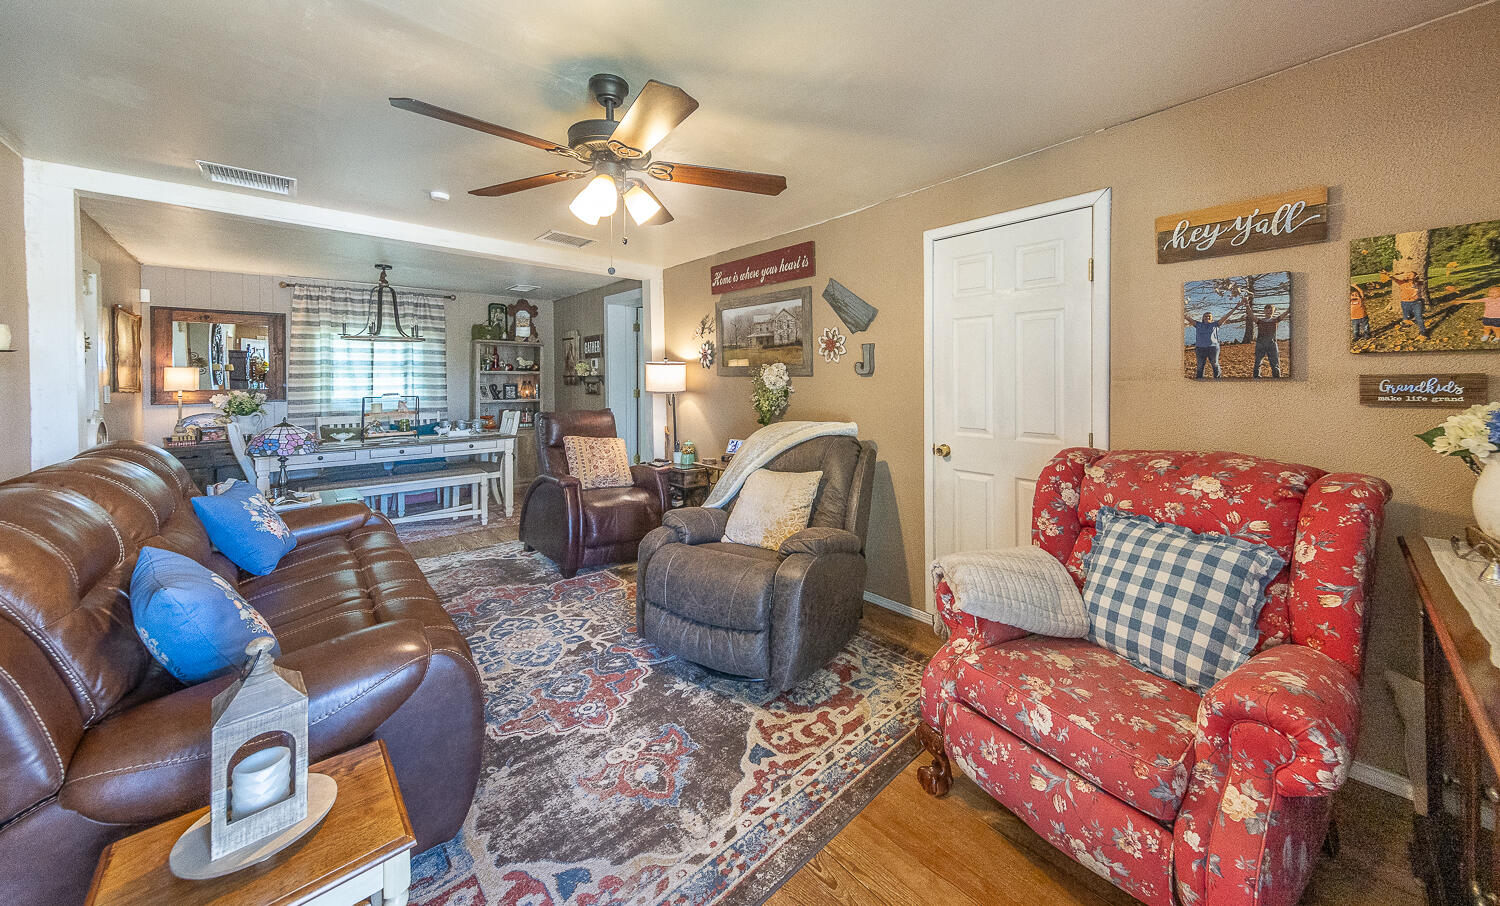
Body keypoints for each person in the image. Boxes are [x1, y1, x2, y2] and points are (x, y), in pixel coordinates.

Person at [1381, 268, 1428, 337]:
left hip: (1416, 303)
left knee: (1419, 317)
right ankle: (1412, 322)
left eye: (1411, 275)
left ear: (1415, 277)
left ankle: (1423, 331)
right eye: (1408, 275)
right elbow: (1394, 279)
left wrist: (1414, 279)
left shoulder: (1417, 283)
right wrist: (1388, 274)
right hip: (1405, 303)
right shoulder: (1402, 283)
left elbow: (1420, 282)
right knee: (1406, 319)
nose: (1409, 276)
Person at [1251, 304, 1290, 378]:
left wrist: (1289, 310)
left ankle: (1277, 379)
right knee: (1257, 363)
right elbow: (1251, 315)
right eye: (1267, 310)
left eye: (1270, 310)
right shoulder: (1259, 321)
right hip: (1260, 344)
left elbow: (1285, 313)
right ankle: (1256, 378)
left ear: (1273, 311)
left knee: (1275, 364)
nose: (1268, 311)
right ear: (1264, 311)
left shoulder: (1276, 320)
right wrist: (1247, 305)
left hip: (1272, 344)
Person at [1185, 311, 1224, 380]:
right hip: (1200, 349)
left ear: (1212, 318)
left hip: (1213, 348)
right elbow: (1187, 317)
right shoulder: (1198, 324)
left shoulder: (1215, 324)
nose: (1207, 317)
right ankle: (1199, 380)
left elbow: (1225, 317)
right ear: (1203, 318)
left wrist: (1236, 307)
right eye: (1205, 316)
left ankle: (1217, 379)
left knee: (1215, 364)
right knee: (1200, 366)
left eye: (1209, 316)